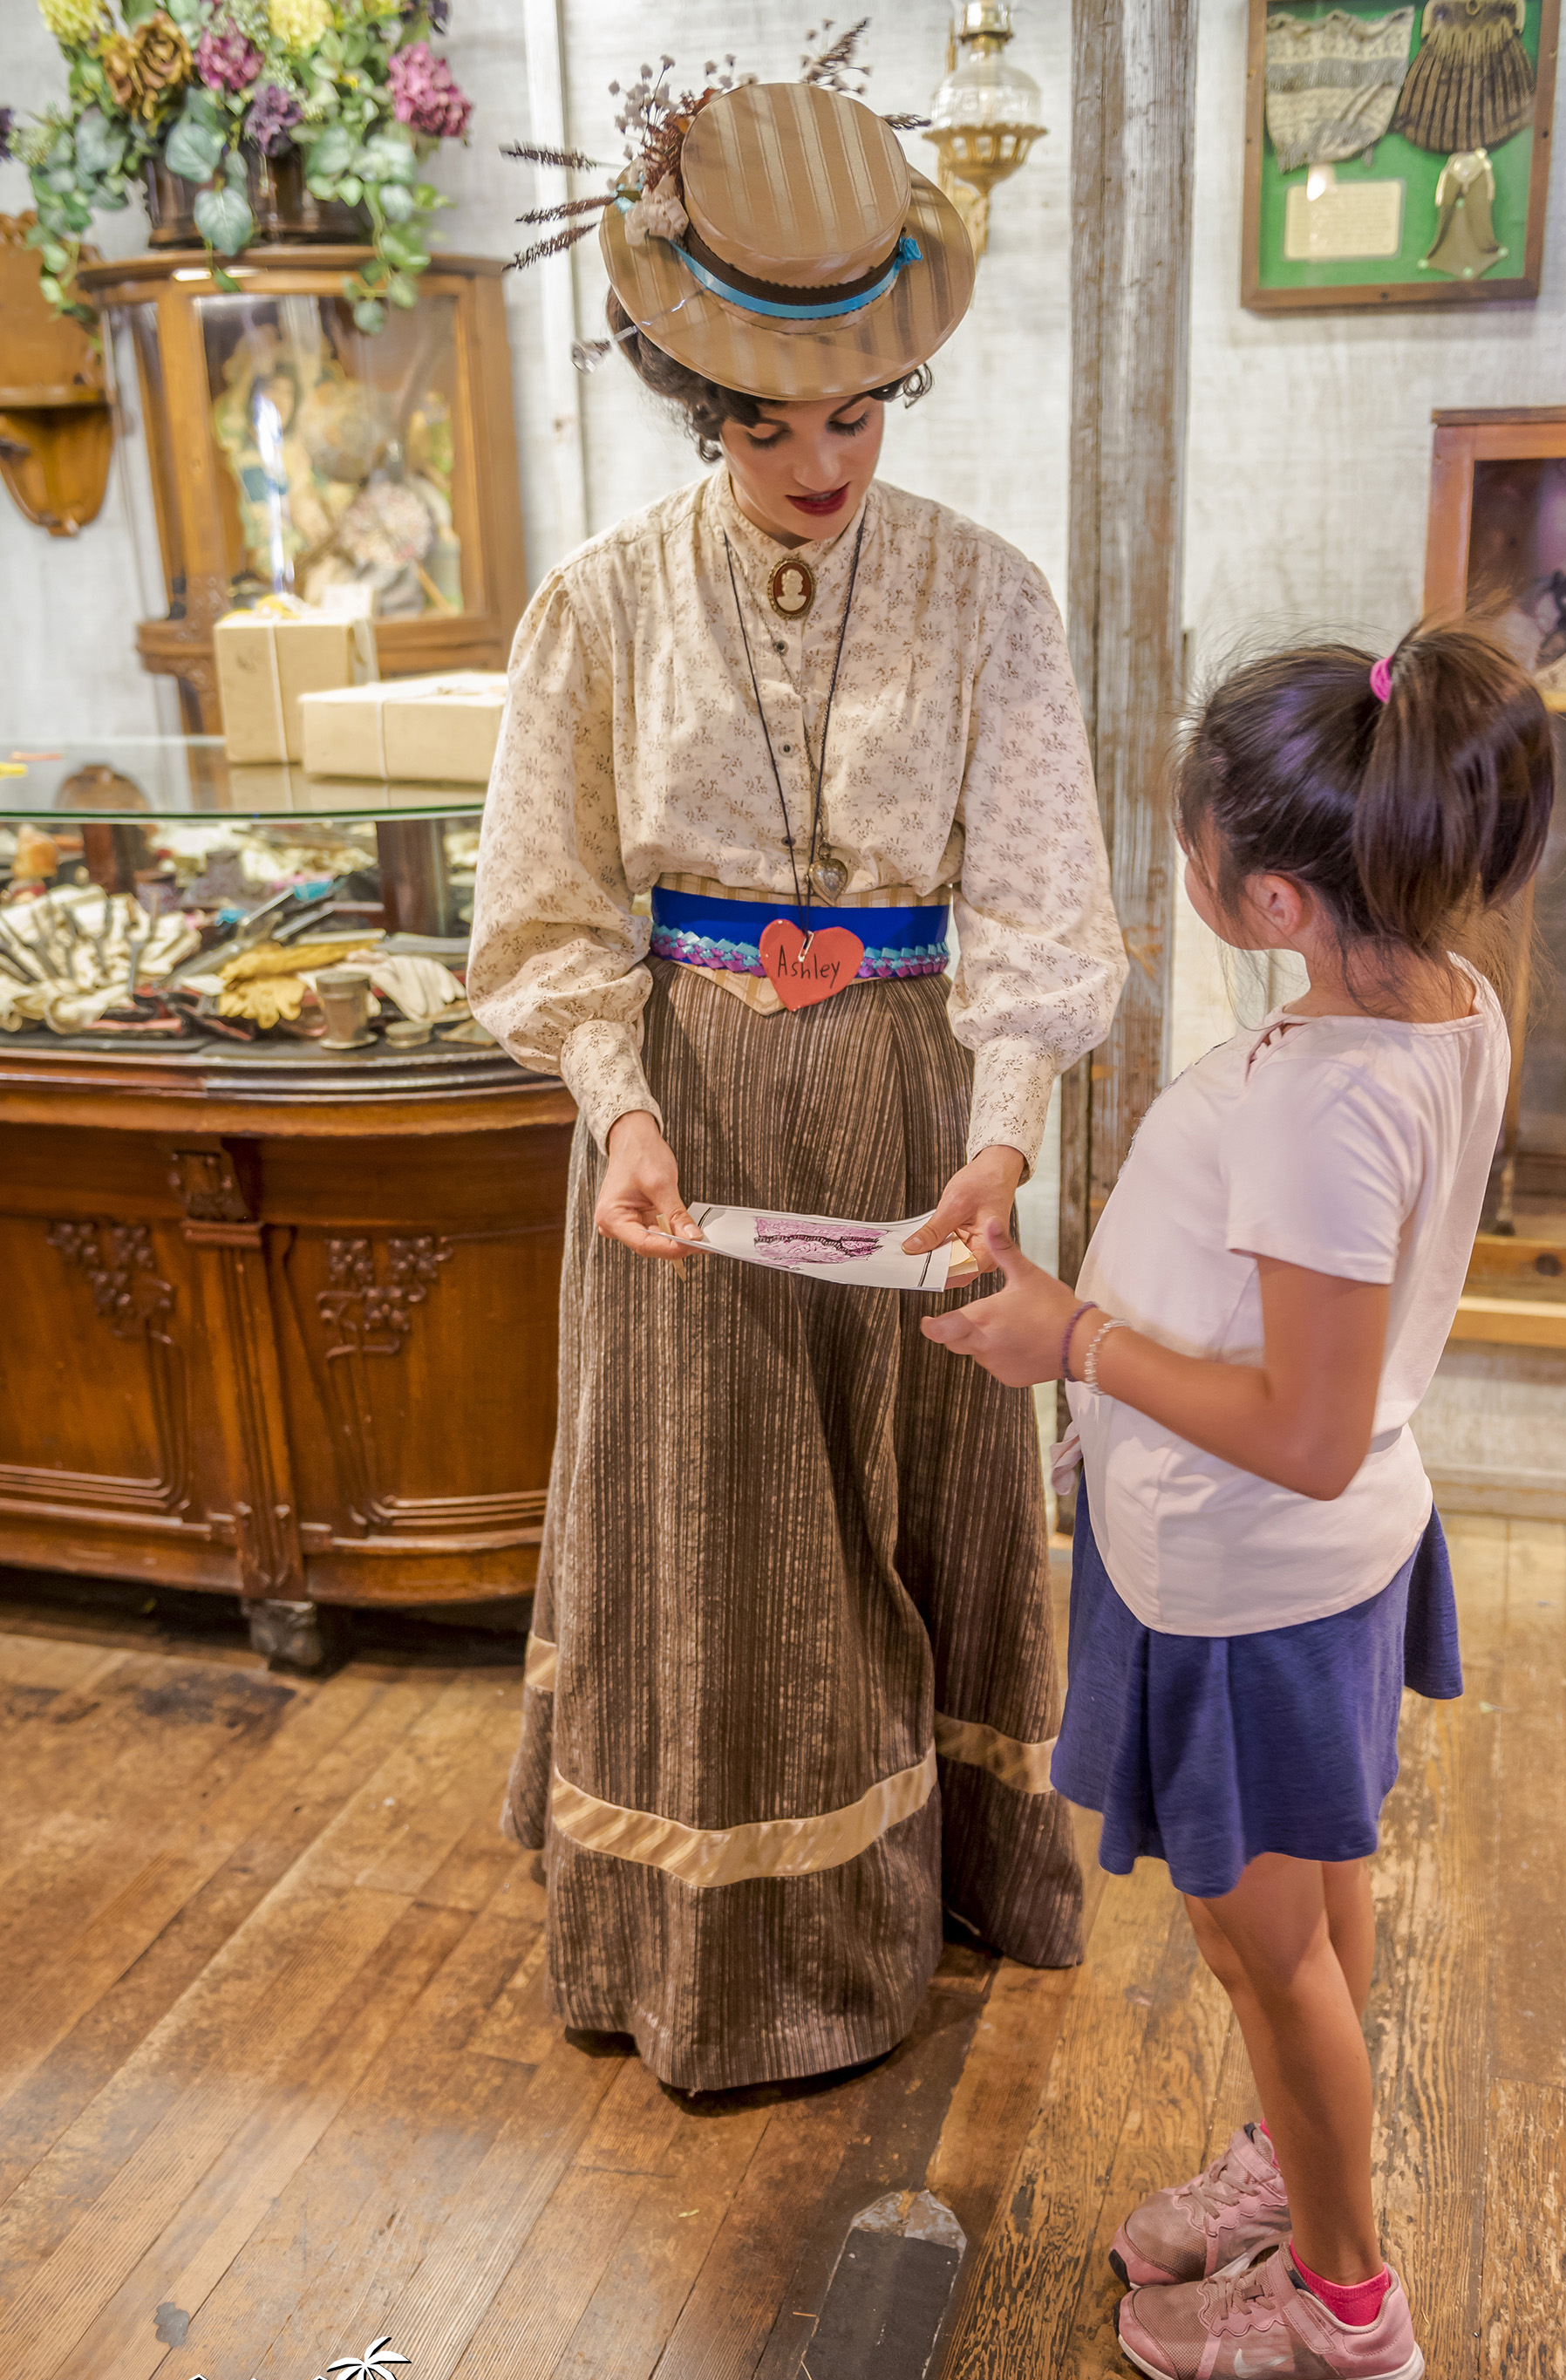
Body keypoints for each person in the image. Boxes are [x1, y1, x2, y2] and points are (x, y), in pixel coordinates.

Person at [468, 71, 1127, 2092]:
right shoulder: (597, 604)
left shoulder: (990, 595)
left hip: (918, 1118)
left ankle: (935, 1879)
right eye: (768, 420)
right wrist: (623, 1105)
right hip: (699, 1124)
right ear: (695, 395)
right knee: (735, 1532)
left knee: (918, 1498)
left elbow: (1037, 904)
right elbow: (555, 907)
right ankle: (733, 1954)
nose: (820, 460)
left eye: (855, 413)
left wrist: (1002, 1139)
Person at [922, 624, 1552, 2380]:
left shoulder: (1327, 1102)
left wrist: (1071, 1336)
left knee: (1262, 1949)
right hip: (1296, 1570)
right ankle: (1296, 2166)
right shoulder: (1449, 998)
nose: (1184, 866)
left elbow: (1304, 1425)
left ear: (1272, 899)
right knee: (1312, 1906)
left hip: (1254, 1578)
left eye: (1196, 848)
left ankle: (1345, 2307)